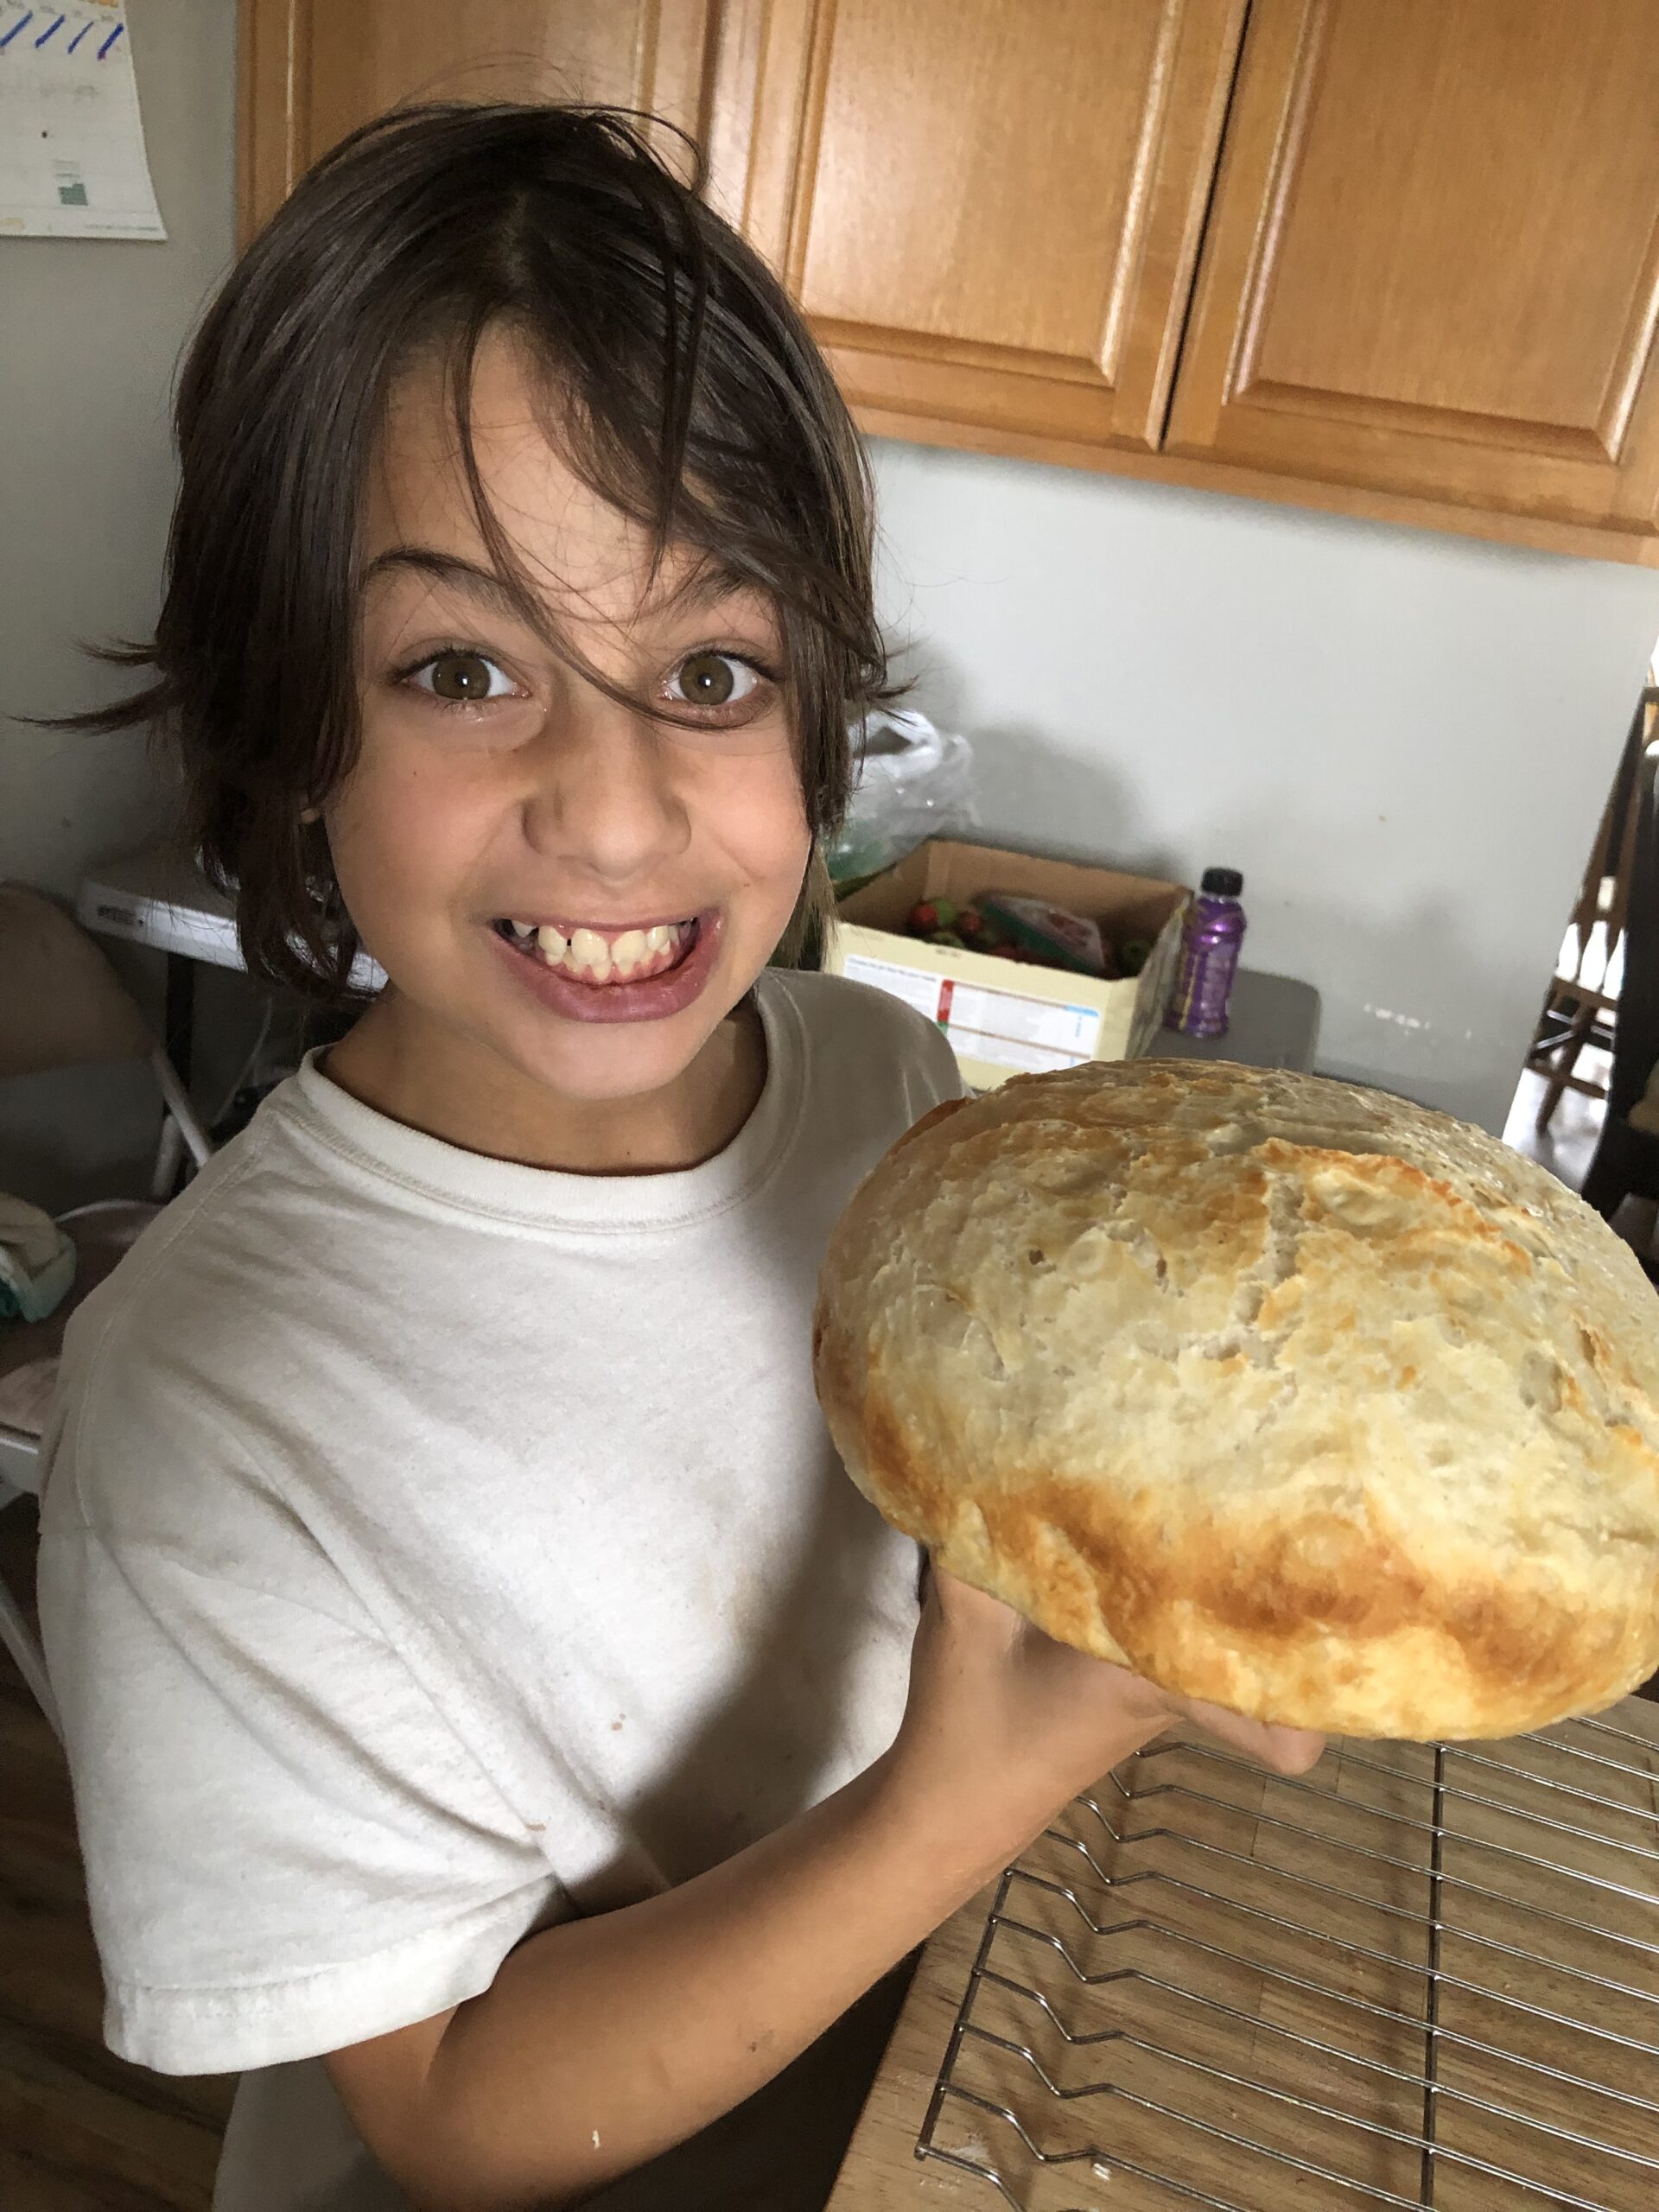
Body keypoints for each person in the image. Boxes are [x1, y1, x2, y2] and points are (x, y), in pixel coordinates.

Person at [37, 103, 1321, 2212]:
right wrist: (963, 1796)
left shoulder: (882, 1085)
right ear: (286, 726)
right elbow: (445, 2114)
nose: (619, 812)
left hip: (910, 2092)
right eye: (464, 669)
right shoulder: (206, 1417)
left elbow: (970, 1555)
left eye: (708, 669)